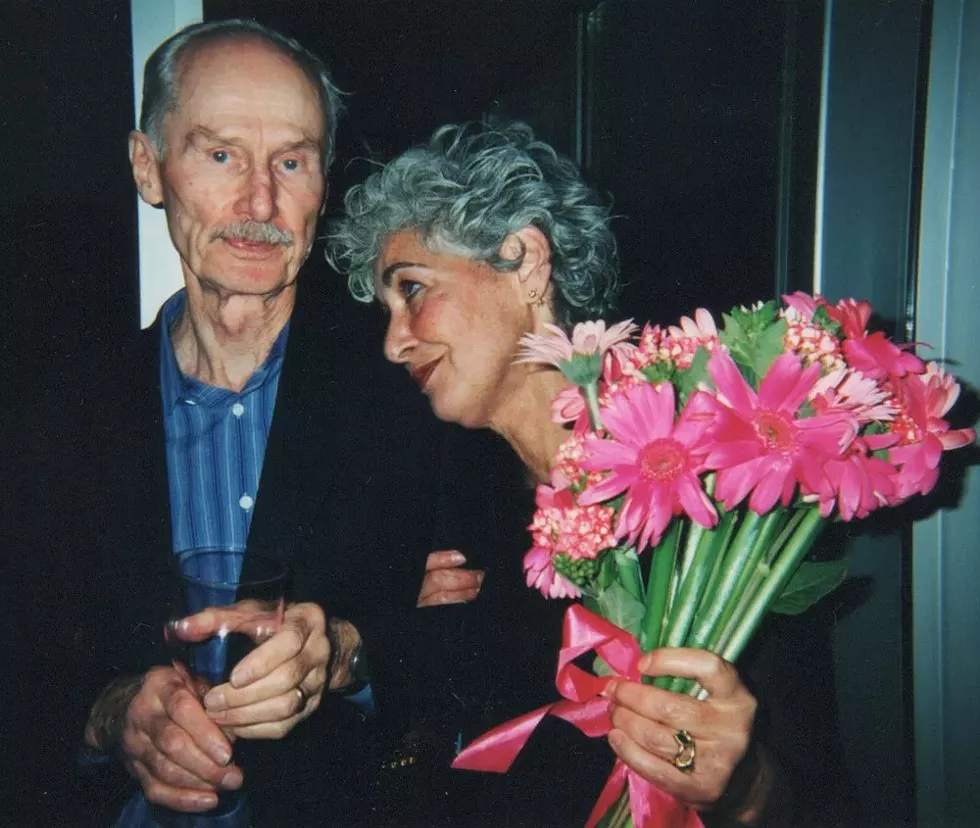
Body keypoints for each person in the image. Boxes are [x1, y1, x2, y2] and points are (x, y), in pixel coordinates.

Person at [327, 122, 853, 826]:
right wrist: (364, 649)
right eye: (388, 310)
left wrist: (742, 787)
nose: (394, 343)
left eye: (413, 289)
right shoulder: (468, 500)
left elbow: (815, 799)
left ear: (526, 262)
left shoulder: (702, 492)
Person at [49, 20, 453, 828]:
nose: (260, 203)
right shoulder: (55, 421)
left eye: (292, 161)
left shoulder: (420, 395)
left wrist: (347, 654)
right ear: (147, 167)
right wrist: (111, 717)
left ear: (323, 184)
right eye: (221, 154)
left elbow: (481, 647)